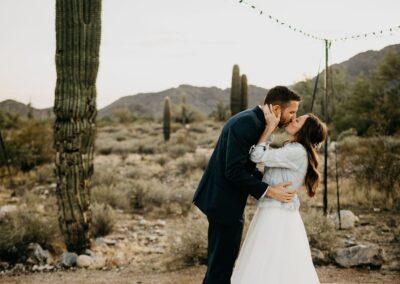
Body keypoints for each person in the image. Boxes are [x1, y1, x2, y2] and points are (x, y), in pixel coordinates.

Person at [192, 86, 302, 284]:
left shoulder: (254, 121)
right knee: (221, 266)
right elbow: (234, 171)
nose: (293, 117)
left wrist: (270, 185)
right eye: (292, 112)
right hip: (223, 202)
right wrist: (269, 191)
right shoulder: (247, 123)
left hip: (225, 200)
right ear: (277, 109)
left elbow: (245, 166)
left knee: (221, 263)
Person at [230, 105, 327, 284]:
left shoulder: (296, 151)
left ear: (304, 130)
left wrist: (269, 128)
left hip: (276, 212)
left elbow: (257, 156)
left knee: (267, 260)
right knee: (274, 261)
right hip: (276, 209)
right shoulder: (294, 149)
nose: (293, 119)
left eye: (298, 120)